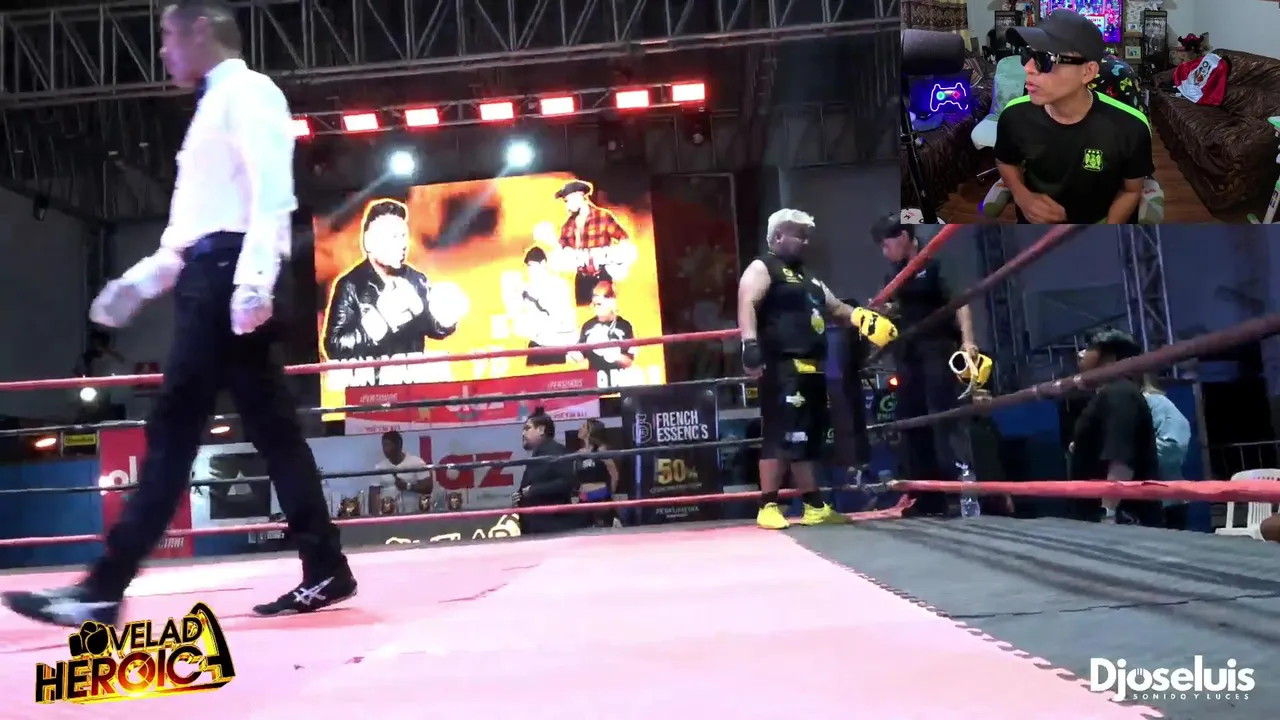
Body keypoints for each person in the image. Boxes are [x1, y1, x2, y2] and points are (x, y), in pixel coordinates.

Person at [1, 0, 355, 627]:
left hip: (224, 278)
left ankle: (104, 587)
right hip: (210, 273)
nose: (162, 51)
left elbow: (273, 193)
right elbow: (191, 231)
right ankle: (325, 565)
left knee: (173, 433)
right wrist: (137, 284)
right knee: (272, 430)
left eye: (167, 36)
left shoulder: (248, 91)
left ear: (200, 31)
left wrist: (254, 279)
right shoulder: (210, 107)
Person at [738, 208, 888, 530]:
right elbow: (747, 300)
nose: (806, 241)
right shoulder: (764, 267)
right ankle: (767, 505)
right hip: (783, 366)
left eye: (807, 235)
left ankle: (813, 506)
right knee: (780, 434)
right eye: (799, 235)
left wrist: (862, 317)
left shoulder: (810, 277)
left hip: (814, 367)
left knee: (806, 437)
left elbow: (835, 307)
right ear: (779, 236)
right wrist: (749, 344)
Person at [995, 10, 1153, 224]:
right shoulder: (1014, 116)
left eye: (1045, 59)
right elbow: (1006, 161)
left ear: (1087, 72)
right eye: (1026, 55)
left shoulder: (1130, 127)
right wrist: (1023, 196)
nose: (1028, 68)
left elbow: (1131, 190)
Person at [874, 218, 981, 517]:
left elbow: (960, 300)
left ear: (903, 236)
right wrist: (884, 310)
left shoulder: (934, 261)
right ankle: (925, 497)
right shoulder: (894, 273)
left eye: (886, 244)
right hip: (908, 354)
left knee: (943, 417)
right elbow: (896, 310)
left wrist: (968, 340)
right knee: (911, 420)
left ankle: (956, 493)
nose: (884, 251)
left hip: (938, 347)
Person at [322, 198, 467, 360]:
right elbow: (334, 347)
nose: (403, 244)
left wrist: (445, 317)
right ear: (369, 241)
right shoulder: (350, 285)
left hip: (412, 374)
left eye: (404, 236)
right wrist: (379, 321)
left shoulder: (417, 280)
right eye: (393, 237)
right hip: (370, 375)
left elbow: (433, 327)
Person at [1070, 330, 1161, 525]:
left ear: (1110, 358)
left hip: (1123, 518)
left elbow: (1121, 459)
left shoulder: (1120, 394)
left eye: (1090, 348)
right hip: (1104, 514)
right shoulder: (1110, 394)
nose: (1081, 354)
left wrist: (1108, 513)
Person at [554, 180, 634, 306]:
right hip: (582, 279)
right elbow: (561, 250)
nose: (567, 206)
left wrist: (611, 259)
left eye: (568, 201)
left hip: (602, 276)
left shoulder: (603, 216)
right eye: (566, 202)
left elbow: (624, 241)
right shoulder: (568, 225)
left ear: (579, 196)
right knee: (584, 314)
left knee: (605, 311)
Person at [504, 246, 576, 366]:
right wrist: (514, 296)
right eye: (528, 267)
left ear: (543, 264)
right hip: (536, 344)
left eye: (532, 266)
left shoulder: (559, 285)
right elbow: (516, 314)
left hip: (557, 345)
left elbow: (561, 316)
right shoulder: (527, 289)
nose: (530, 271)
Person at [513, 408, 577, 534]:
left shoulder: (557, 451)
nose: (523, 434)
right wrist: (519, 497)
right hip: (536, 526)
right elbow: (530, 485)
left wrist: (534, 490)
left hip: (552, 526)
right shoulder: (537, 454)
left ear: (541, 430)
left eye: (527, 428)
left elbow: (567, 482)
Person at [1139, 375, 1192, 529]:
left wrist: (1132, 455)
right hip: (1138, 499)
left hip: (1165, 500)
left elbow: (1174, 445)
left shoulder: (1155, 402)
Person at [567, 281, 637, 382]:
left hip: (619, 382)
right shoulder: (588, 326)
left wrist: (612, 354)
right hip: (596, 382)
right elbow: (580, 357)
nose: (596, 308)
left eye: (599, 304)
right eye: (594, 304)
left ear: (611, 302)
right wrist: (571, 348)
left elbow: (629, 362)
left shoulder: (624, 326)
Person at [373, 430, 436, 513]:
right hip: (387, 515)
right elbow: (373, 494)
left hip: (413, 513)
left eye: (388, 445)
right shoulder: (379, 467)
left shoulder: (416, 463)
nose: (385, 449)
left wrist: (407, 486)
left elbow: (428, 487)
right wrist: (375, 516)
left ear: (399, 445)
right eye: (383, 446)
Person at [575, 419, 621, 527]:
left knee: (602, 527)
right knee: (584, 528)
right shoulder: (578, 453)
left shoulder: (600, 450)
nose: (580, 428)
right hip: (583, 497)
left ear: (591, 431)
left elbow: (614, 474)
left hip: (600, 495)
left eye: (583, 426)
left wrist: (610, 494)